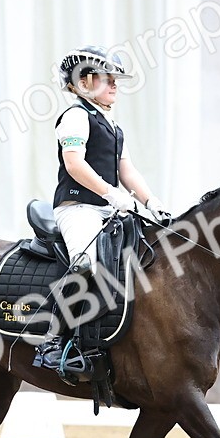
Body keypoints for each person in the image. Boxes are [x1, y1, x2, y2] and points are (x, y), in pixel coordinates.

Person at [32, 45, 172, 371]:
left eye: (115, 80)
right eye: (107, 79)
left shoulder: (112, 125)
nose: (114, 85)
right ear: (85, 82)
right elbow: (74, 164)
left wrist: (151, 202)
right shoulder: (76, 117)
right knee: (84, 264)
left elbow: (127, 170)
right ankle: (49, 340)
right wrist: (112, 194)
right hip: (77, 207)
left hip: (109, 210)